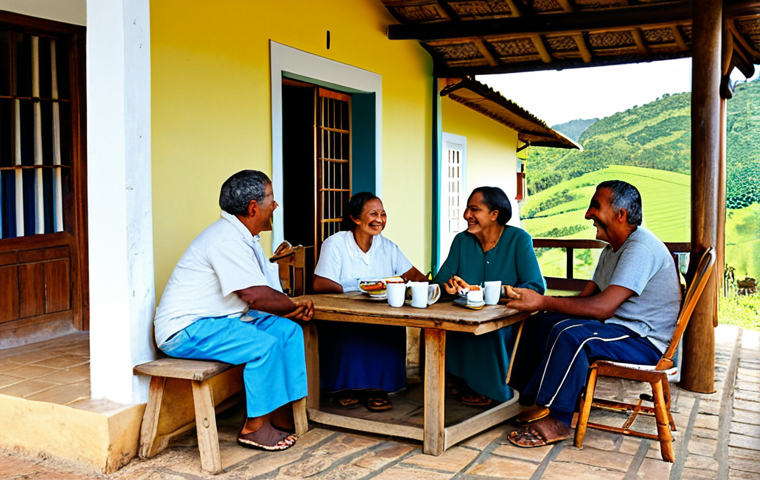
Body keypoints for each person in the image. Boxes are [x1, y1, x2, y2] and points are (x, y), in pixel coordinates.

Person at [505, 180, 681, 448]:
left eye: (595, 206)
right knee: (541, 322)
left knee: (572, 336)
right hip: (618, 328)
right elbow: (587, 299)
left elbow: (601, 308)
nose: (588, 214)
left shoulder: (639, 248)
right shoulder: (613, 248)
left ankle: (559, 418)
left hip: (644, 340)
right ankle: (526, 398)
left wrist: (542, 299)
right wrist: (540, 305)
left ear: (620, 214)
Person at [153, 170, 314, 452]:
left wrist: (289, 311)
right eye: (271, 200)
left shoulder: (244, 237)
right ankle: (254, 427)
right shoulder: (226, 239)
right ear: (253, 207)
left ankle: (281, 413)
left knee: (287, 331)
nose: (275, 206)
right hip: (186, 329)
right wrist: (293, 305)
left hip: (222, 321)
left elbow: (263, 291)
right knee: (264, 345)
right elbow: (253, 295)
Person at [313, 192, 428, 411]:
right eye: (373, 214)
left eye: (383, 214)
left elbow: (416, 275)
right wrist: (359, 287)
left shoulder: (388, 247)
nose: (380, 219)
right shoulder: (336, 244)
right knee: (348, 331)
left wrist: (419, 286)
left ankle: (378, 388)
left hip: (381, 313)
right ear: (355, 218)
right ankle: (345, 387)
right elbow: (320, 284)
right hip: (345, 312)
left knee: (387, 328)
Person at [433, 186, 545, 407]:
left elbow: (534, 286)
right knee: (443, 326)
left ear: (494, 214)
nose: (467, 215)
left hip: (507, 319)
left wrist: (494, 291)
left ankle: (491, 391)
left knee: (488, 331)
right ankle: (461, 381)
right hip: (466, 314)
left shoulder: (518, 239)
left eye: (475, 210)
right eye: (467, 209)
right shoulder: (461, 241)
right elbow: (439, 282)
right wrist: (449, 287)